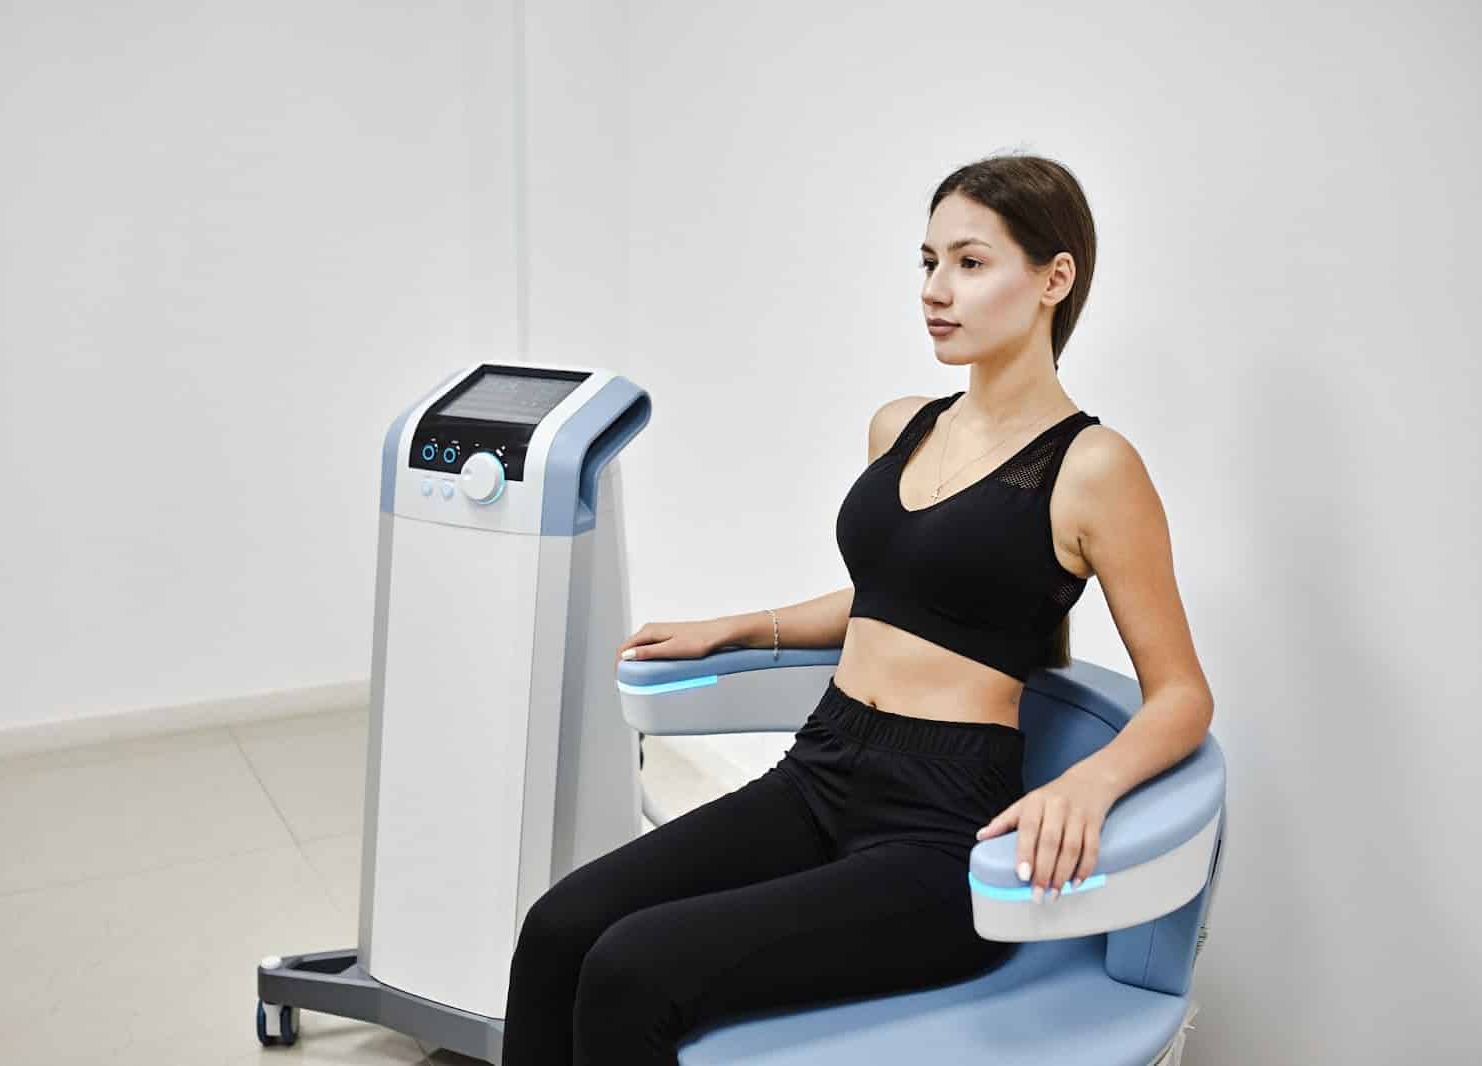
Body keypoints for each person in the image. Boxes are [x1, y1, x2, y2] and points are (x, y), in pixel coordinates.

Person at [500, 153, 1215, 1065]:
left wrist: (1087, 782)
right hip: (822, 770)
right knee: (560, 927)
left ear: (1054, 279)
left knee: (632, 972)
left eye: (970, 262)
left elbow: (1183, 694)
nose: (936, 290)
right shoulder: (903, 425)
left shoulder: (1093, 467)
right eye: (927, 263)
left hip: (936, 833)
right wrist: (745, 624)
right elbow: (901, 599)